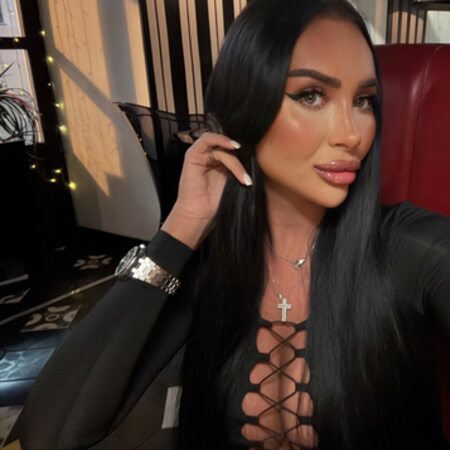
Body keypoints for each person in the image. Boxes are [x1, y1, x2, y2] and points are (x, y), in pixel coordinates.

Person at [19, 0, 450, 449]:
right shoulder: (210, 264)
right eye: (311, 95)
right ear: (246, 108)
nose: (352, 133)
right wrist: (182, 228)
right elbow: (51, 433)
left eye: (363, 100)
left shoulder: (408, 246)